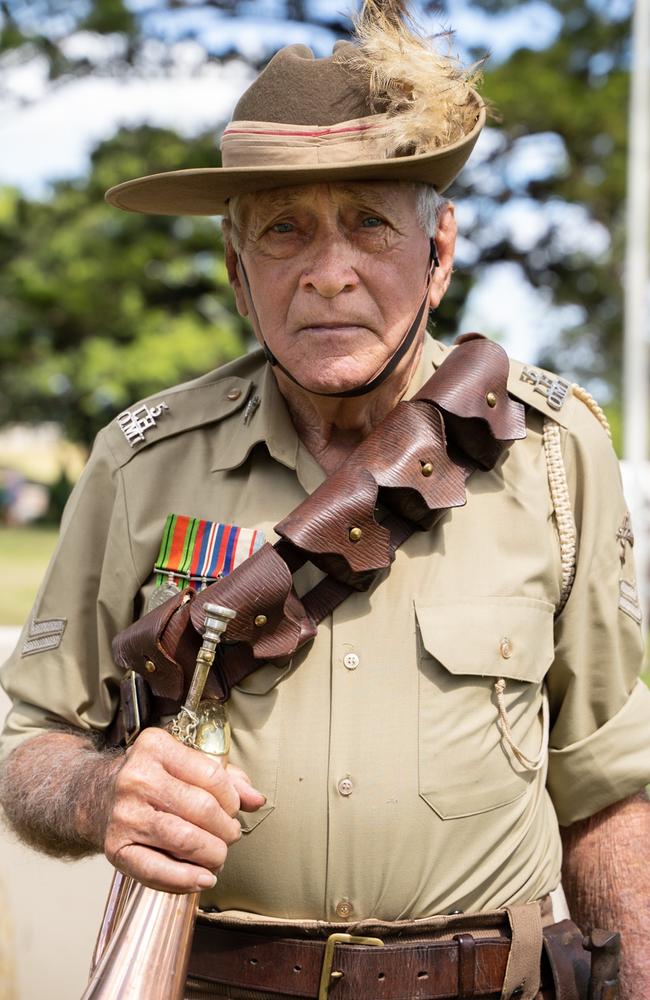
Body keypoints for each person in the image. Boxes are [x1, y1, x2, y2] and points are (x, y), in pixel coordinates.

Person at [1, 2, 649, 998]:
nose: (327, 273)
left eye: (368, 224)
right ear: (234, 267)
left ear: (437, 257)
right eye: (284, 231)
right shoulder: (138, 463)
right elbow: (27, 741)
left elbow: (605, 790)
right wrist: (94, 789)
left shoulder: (553, 452)